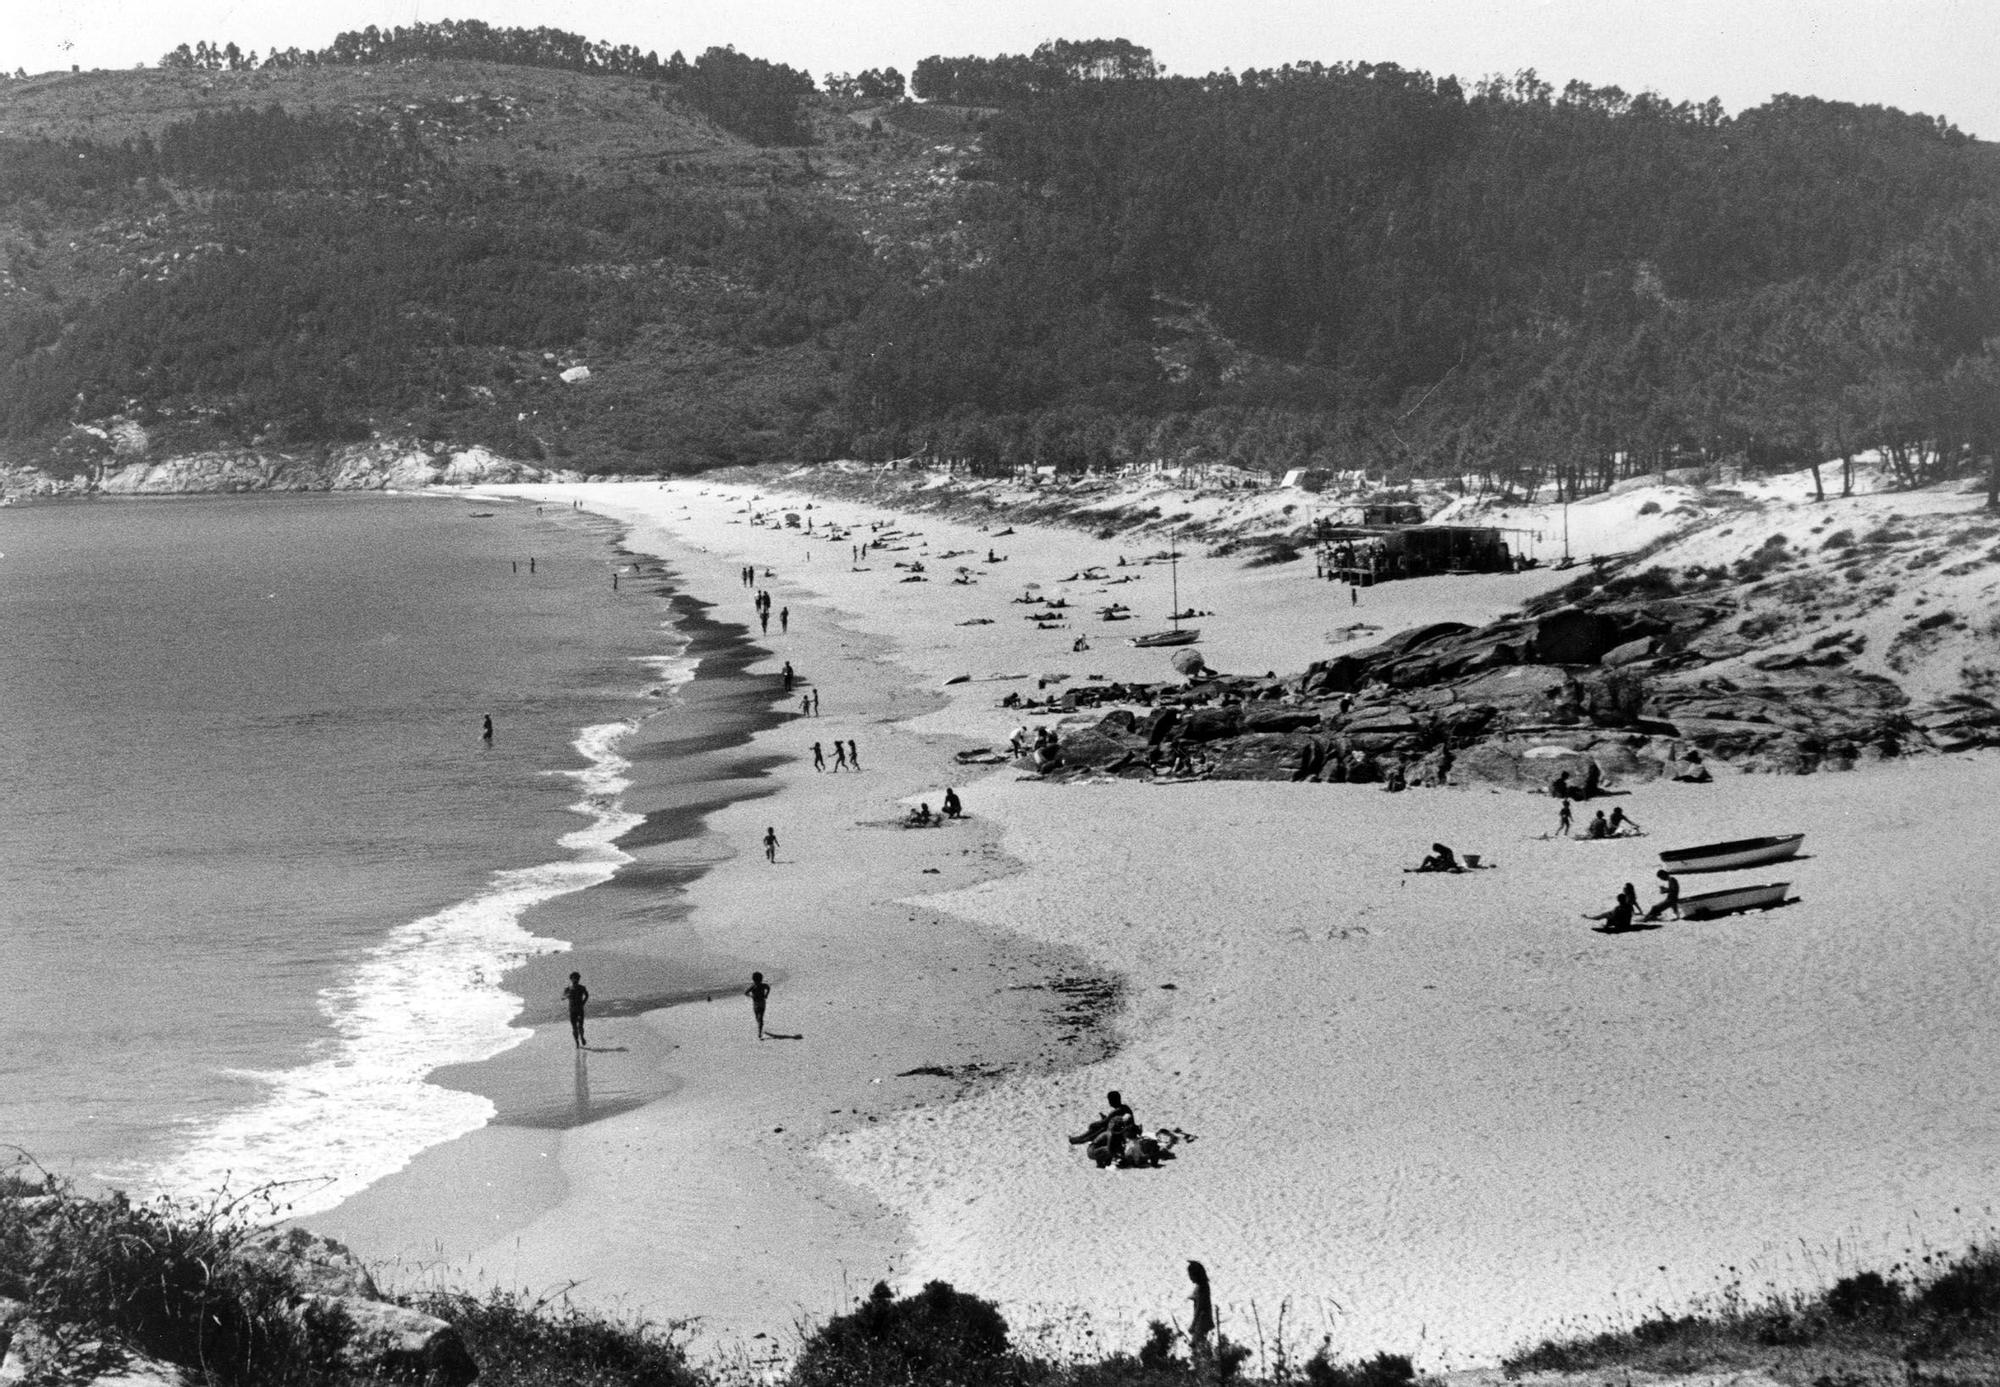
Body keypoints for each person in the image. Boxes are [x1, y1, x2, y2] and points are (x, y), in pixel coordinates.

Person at [1187, 1261, 1215, 1360]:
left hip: (1202, 1320)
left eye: (1190, 1275)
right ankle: (1205, 1365)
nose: (1190, 1278)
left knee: (1197, 1345)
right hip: (1203, 1320)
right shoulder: (1203, 1286)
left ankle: (1203, 1367)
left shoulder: (1202, 1287)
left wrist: (1193, 1324)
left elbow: (1199, 1307)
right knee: (1200, 1345)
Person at [562, 971, 589, 1048]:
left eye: (576, 978)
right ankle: (577, 1042)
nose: (575, 980)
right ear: (571, 979)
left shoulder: (582, 987)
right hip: (572, 1010)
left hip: (580, 1009)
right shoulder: (568, 988)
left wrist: (583, 1003)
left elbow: (587, 995)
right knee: (574, 1027)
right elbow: (562, 997)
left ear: (578, 979)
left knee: (580, 1026)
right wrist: (567, 995)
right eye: (573, 978)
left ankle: (582, 1037)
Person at [745, 971, 771, 1040]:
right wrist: (766, 994)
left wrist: (766, 994)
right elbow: (746, 993)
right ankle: (760, 1026)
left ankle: (760, 1032)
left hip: (759, 1003)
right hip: (759, 1003)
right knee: (758, 1017)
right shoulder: (758, 986)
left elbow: (745, 993)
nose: (757, 983)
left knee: (760, 1017)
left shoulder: (757, 986)